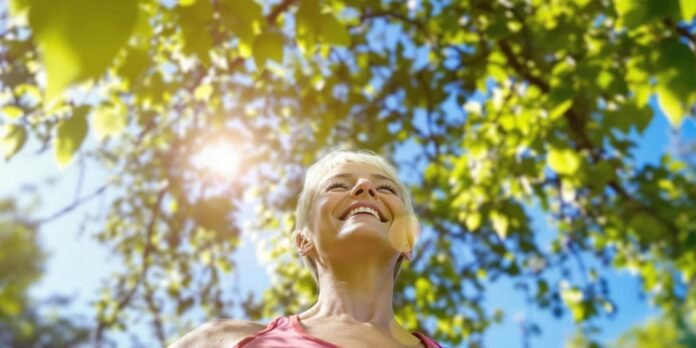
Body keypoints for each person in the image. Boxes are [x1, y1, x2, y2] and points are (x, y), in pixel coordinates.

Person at [170, 149, 442, 347]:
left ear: (407, 241)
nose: (365, 186)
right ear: (304, 240)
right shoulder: (224, 341)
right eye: (337, 185)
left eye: (386, 188)